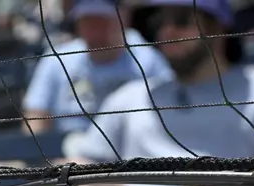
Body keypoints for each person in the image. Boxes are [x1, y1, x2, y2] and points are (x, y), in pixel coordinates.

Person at [63, 0, 254, 186]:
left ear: (218, 27)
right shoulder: (130, 96)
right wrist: (86, 179)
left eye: (181, 20)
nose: (167, 31)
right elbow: (84, 158)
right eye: (158, 22)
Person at [22, 0, 172, 134]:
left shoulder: (147, 59)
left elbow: (170, 109)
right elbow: (36, 116)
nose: (95, 33)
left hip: (129, 152)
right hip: (66, 152)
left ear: (122, 22)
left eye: (102, 23)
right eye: (88, 23)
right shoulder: (56, 59)